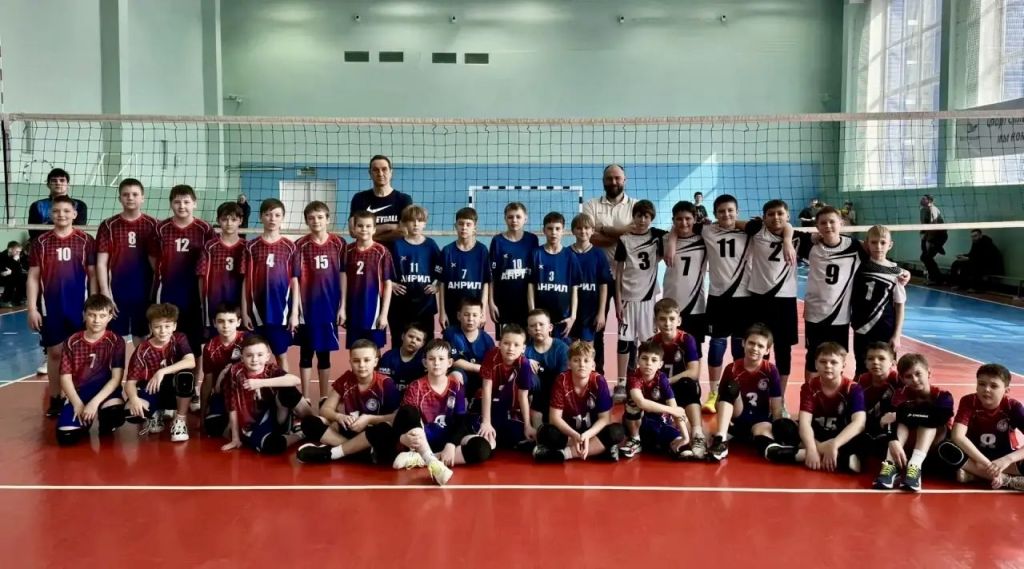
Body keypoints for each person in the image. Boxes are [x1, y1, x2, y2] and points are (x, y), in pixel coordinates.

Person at [27, 195, 97, 417]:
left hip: (80, 307)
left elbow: (93, 275)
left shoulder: (86, 240)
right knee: (55, 353)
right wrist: (32, 308)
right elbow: (33, 276)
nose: (61, 215)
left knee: (81, 354)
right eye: (57, 211)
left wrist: (94, 305)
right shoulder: (41, 242)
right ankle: (56, 398)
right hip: (51, 307)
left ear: (74, 214)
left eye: (66, 211)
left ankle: (79, 396)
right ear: (50, 214)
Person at [391, 338, 494, 486]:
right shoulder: (416, 387)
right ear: (425, 363)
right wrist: (403, 438)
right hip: (423, 440)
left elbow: (461, 421)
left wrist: (451, 444)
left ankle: (421, 459)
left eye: (441, 359)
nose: (436, 363)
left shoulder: (456, 386)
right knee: (408, 411)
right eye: (431, 359)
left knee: (482, 448)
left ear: (450, 363)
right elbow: (403, 418)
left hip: (447, 437)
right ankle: (432, 462)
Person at [766, 343, 866, 473]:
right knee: (781, 425)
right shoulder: (809, 387)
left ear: (843, 365)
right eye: (823, 361)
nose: (828, 366)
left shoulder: (853, 388)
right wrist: (812, 448)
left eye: (833, 362)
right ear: (816, 364)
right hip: (816, 435)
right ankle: (836, 458)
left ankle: (797, 455)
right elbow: (805, 422)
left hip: (841, 436)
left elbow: (859, 423)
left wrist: (835, 444)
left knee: (863, 440)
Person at [296, 339, 401, 464]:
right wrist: (339, 416)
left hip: (373, 434)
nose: (361, 365)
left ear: (375, 362)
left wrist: (369, 419)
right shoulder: (346, 380)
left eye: (367, 360)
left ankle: (339, 451)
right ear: (350, 362)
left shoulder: (385, 383)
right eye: (356, 361)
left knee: (384, 430)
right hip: (352, 430)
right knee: (309, 422)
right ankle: (359, 453)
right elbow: (325, 409)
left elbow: (396, 417)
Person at [582, 164, 637, 375]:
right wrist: (622, 234)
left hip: (628, 277)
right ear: (603, 181)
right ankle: (597, 375)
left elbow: (636, 235)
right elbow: (591, 238)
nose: (613, 182)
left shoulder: (635, 206)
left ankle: (630, 377)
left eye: (617, 178)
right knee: (597, 327)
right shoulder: (591, 205)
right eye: (609, 178)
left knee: (628, 330)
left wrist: (604, 229)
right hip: (597, 278)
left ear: (625, 180)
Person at [872, 353, 954, 492]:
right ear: (902, 379)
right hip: (905, 446)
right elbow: (889, 421)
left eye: (918, 374)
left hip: (935, 446)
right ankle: (890, 465)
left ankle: (915, 466)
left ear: (928, 373)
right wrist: (892, 440)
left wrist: (900, 414)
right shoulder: (900, 394)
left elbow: (937, 419)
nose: (914, 380)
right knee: (901, 422)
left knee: (927, 422)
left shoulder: (943, 396)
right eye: (908, 376)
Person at [708, 324, 791, 461]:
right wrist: (725, 418)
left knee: (765, 440)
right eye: (751, 343)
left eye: (760, 346)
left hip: (761, 421)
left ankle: (787, 453)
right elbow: (719, 403)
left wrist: (777, 428)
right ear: (743, 343)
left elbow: (776, 407)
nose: (755, 348)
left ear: (767, 350)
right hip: (737, 419)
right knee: (731, 386)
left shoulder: (770, 370)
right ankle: (721, 439)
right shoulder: (732, 368)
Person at [220, 335, 314, 455]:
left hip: (277, 415)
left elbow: (296, 380)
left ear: (267, 357)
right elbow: (232, 406)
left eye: (259, 355)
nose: (254, 359)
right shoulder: (235, 373)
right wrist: (235, 438)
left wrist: (261, 383)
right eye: (249, 355)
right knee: (271, 445)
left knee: (288, 388)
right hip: (254, 424)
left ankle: (313, 422)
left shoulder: (271, 369)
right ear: (242, 358)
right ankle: (301, 433)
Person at [533, 340, 625, 463]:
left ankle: (564, 454)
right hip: (568, 433)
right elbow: (554, 418)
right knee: (546, 432)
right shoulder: (562, 381)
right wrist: (575, 435)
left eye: (586, 361)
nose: (582, 364)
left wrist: (587, 435)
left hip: (592, 432)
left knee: (617, 431)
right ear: (569, 364)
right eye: (576, 360)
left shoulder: (599, 381)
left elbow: (605, 419)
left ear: (593, 365)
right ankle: (598, 449)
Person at [151, 184, 215, 358]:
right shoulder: (161, 228)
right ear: (171, 204)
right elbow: (153, 257)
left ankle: (193, 376)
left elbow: (211, 257)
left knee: (194, 341)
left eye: (186, 202)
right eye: (177, 202)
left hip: (194, 292)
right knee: (165, 336)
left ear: (195, 203)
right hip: (167, 290)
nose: (182, 206)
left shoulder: (205, 229)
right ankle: (166, 374)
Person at [54, 294, 126, 446]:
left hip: (106, 392)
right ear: (84, 315)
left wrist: (94, 403)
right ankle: (84, 422)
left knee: (114, 413)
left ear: (110, 317)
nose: (96, 320)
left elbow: (116, 379)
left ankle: (103, 420)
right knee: (66, 438)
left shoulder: (116, 341)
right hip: (80, 393)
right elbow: (65, 377)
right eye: (92, 315)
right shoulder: (71, 341)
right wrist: (77, 404)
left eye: (102, 316)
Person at [744, 200, 798, 403]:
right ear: (764, 217)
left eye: (780, 213)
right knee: (759, 350)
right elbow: (734, 223)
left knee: (783, 351)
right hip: (760, 299)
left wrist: (788, 240)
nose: (776, 217)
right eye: (771, 214)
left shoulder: (797, 238)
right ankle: (758, 396)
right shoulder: (757, 229)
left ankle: (780, 399)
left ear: (788, 216)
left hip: (785, 301)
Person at [96, 179, 158, 344]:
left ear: (143, 198)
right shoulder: (108, 225)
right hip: (117, 289)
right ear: (119, 198)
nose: (130, 198)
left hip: (145, 290)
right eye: (126, 194)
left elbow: (157, 263)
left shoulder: (154, 225)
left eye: (135, 194)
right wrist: (105, 292)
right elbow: (101, 263)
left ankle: (140, 362)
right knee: (115, 337)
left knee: (143, 336)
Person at [122, 303, 197, 442]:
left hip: (174, 391)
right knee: (131, 413)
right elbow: (130, 383)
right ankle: (156, 413)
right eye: (157, 327)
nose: (163, 331)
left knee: (186, 376)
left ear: (174, 326)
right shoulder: (142, 349)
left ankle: (180, 421)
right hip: (153, 390)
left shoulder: (179, 338)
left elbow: (190, 361)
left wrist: (161, 371)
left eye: (167, 326)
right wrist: (134, 399)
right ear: (150, 328)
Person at [614, 199, 665, 401]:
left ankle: (648, 380)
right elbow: (618, 273)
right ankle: (621, 382)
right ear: (633, 217)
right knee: (624, 342)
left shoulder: (657, 237)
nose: (642, 220)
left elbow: (675, 234)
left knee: (648, 343)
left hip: (648, 299)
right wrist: (618, 301)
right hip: (628, 297)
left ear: (651, 218)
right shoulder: (624, 239)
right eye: (639, 216)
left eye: (647, 216)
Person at [293, 201, 345, 397]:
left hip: (329, 307)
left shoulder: (339, 243)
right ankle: (306, 396)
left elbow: (343, 275)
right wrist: (296, 309)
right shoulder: (300, 245)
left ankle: (323, 396)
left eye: (320, 217)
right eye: (311, 218)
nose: (316, 221)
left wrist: (343, 306)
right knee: (306, 354)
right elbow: (295, 278)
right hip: (307, 307)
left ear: (328, 219)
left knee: (324, 355)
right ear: (306, 221)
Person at [242, 198, 299, 371]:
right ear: (260, 217)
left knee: (281, 356)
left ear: (283, 218)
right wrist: (244, 312)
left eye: (277, 215)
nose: (272, 219)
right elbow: (245, 281)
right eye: (268, 214)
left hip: (280, 312)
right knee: (253, 357)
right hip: (256, 312)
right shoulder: (251, 247)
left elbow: (295, 281)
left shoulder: (290, 247)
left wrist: (294, 313)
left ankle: (285, 388)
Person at [948, 363, 1024, 491]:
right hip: (975, 457)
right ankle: (1006, 480)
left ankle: (976, 476)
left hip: (1002, 460)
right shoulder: (969, 401)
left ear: (1006, 391)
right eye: (982, 384)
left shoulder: (1013, 407)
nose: (986, 389)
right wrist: (987, 464)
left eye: (993, 386)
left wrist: (1007, 459)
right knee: (945, 448)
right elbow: (957, 436)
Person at [647, 298, 704, 457]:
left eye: (672, 319)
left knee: (689, 383)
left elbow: (694, 372)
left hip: (679, 388)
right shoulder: (652, 343)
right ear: (656, 321)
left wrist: (666, 382)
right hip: (660, 391)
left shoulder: (686, 340)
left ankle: (697, 434)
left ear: (679, 320)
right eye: (662, 319)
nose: (667, 323)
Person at [620, 341, 691, 459]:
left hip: (659, 421)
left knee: (680, 445)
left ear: (660, 364)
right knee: (633, 405)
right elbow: (641, 402)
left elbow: (674, 407)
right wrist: (672, 410)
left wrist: (685, 437)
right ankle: (635, 440)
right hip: (638, 421)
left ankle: (670, 443)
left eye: (654, 360)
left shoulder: (661, 378)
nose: (648, 363)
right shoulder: (633, 377)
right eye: (644, 358)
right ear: (637, 360)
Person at [851, 225, 906, 375]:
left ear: (890, 245)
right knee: (862, 368)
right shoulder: (858, 266)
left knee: (885, 369)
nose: (878, 247)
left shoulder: (896, 272)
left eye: (883, 242)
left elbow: (900, 305)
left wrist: (897, 335)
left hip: (886, 328)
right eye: (874, 242)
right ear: (866, 243)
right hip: (862, 327)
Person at [661, 202, 708, 370]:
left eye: (688, 218)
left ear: (695, 219)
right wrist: (672, 239)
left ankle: (693, 383)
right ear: (673, 220)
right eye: (679, 219)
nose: (684, 223)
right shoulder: (664, 239)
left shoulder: (704, 239)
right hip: (671, 304)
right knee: (669, 348)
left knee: (695, 350)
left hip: (695, 305)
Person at [387, 205, 441, 346]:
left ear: (425, 223)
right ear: (405, 223)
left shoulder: (431, 245)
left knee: (426, 342)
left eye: (420, 220)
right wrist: (392, 284)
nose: (416, 224)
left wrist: (437, 285)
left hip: (425, 304)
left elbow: (442, 269)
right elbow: (385, 270)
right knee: (399, 341)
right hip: (400, 304)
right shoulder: (396, 245)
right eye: (412, 220)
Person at [478, 324, 538, 449]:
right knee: (482, 428)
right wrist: (486, 422)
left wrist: (527, 425)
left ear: (523, 348)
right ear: (499, 344)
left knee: (517, 433)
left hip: (508, 403)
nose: (511, 348)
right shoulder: (491, 356)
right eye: (506, 343)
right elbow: (486, 390)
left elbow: (523, 397)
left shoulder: (524, 364)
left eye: (516, 345)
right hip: (490, 401)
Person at [340, 209, 393, 349]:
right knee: (355, 349)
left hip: (373, 308)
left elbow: (387, 284)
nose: (364, 229)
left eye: (368, 226)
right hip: (353, 308)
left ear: (374, 229)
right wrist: (342, 308)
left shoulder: (382, 252)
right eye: (360, 226)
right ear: (354, 228)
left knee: (374, 350)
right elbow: (343, 280)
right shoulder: (347, 251)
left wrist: (384, 314)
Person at [198, 202, 247, 339]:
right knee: (214, 339)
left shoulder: (246, 247)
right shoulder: (209, 246)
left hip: (238, 299)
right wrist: (202, 302)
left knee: (239, 340)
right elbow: (201, 276)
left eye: (234, 219)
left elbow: (248, 279)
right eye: (225, 219)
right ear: (218, 220)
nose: (229, 223)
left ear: (240, 221)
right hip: (214, 299)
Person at [529, 211, 581, 341]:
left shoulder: (570, 256)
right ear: (544, 230)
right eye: (550, 228)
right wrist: (532, 312)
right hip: (540, 321)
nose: (554, 232)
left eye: (557, 229)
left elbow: (574, 289)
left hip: (562, 320)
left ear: (563, 230)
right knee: (539, 350)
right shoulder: (536, 254)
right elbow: (530, 286)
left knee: (562, 351)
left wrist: (573, 316)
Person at [489, 202, 539, 333]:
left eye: (518, 216)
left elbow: (535, 274)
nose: (514, 220)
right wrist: (491, 302)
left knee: (528, 341)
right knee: (507, 341)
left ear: (525, 219)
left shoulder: (532, 240)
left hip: (526, 304)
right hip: (503, 303)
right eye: (510, 217)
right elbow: (492, 276)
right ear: (505, 219)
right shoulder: (497, 241)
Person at [436, 207, 489, 330]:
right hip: (452, 309)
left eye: (468, 224)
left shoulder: (482, 250)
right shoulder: (447, 251)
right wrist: (442, 312)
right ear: (455, 226)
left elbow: (486, 283)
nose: (464, 227)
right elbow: (442, 283)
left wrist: (483, 312)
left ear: (475, 227)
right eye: (461, 224)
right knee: (451, 340)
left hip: (474, 312)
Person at [199, 304, 247, 438]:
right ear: (214, 323)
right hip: (222, 393)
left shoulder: (247, 340)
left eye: (231, 321)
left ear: (238, 322)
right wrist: (202, 416)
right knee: (212, 427)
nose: (226, 326)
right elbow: (207, 382)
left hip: (246, 391)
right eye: (221, 321)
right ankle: (227, 417)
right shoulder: (209, 348)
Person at [568, 213, 612, 347]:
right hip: (571, 310)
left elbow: (603, 285)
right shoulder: (566, 253)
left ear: (592, 230)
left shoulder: (598, 254)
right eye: (579, 228)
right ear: (573, 231)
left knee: (587, 349)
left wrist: (601, 312)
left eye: (586, 228)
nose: (583, 231)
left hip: (590, 310)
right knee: (571, 348)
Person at [442, 298, 495, 408]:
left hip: (480, 378)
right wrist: (478, 368)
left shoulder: (487, 340)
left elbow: (491, 365)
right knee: (456, 376)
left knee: (491, 379)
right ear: (459, 316)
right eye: (466, 315)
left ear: (481, 317)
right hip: (460, 374)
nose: (470, 319)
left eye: (475, 315)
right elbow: (452, 361)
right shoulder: (450, 334)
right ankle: (458, 411)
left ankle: (479, 407)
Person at [349, 155, 413, 243]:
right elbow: (353, 232)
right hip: (368, 250)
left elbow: (405, 231)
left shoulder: (404, 199)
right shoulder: (359, 198)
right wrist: (390, 227)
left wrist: (368, 236)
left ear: (391, 172)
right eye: (376, 170)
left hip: (396, 250)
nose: (380, 173)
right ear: (370, 173)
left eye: (384, 169)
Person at [525, 308, 570, 429]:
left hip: (557, 394)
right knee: (525, 373)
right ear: (528, 330)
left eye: (541, 324)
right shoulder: (525, 350)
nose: (537, 328)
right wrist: (524, 362)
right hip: (536, 398)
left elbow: (564, 380)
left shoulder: (562, 349)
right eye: (533, 326)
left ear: (550, 327)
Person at [27, 168, 88, 242]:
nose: (58, 183)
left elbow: (79, 230)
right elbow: (33, 232)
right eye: (54, 180)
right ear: (48, 185)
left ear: (68, 185)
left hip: (72, 243)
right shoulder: (37, 206)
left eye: (62, 180)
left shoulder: (79, 205)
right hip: (45, 243)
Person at [377, 322, 428, 392]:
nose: (413, 341)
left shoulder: (424, 361)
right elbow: (381, 385)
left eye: (418, 339)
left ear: (422, 344)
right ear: (403, 336)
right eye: (410, 336)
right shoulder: (388, 357)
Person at [919, 194, 948, 285]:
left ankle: (938, 279)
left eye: (924, 199)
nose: (921, 200)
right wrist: (924, 236)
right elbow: (924, 225)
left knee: (926, 257)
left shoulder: (933, 209)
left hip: (939, 235)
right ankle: (936, 278)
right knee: (924, 257)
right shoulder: (922, 210)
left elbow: (934, 227)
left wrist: (929, 241)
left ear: (929, 201)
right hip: (929, 234)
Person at [0, 240, 29, 306]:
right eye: (17, 251)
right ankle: (5, 300)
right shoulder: (1, 256)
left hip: (9, 276)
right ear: (10, 249)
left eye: (19, 252)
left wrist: (15, 262)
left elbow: (17, 270)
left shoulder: (15, 257)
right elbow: (4, 271)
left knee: (23, 277)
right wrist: (14, 261)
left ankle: (18, 300)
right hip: (1, 277)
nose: (18, 254)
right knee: (12, 277)